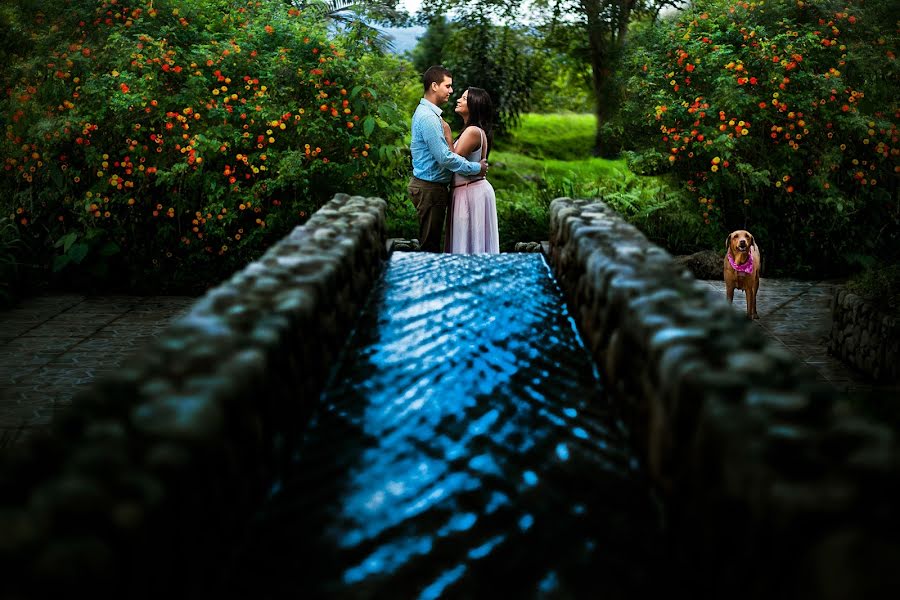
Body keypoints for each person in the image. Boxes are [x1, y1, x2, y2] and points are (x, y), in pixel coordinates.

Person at [408, 66, 488, 252]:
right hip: (430, 187)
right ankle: (428, 279)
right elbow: (445, 158)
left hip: (431, 186)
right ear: (434, 86)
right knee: (430, 247)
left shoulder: (430, 115)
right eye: (448, 86)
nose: (451, 91)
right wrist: (476, 168)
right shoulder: (429, 117)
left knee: (432, 242)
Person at [445, 87, 499, 254]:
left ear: (474, 105)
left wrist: (447, 134)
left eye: (464, 98)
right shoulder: (471, 130)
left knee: (468, 245)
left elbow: (452, 160)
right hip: (468, 190)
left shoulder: (473, 131)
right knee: (468, 243)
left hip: (470, 192)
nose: (458, 100)